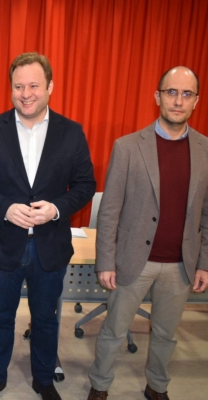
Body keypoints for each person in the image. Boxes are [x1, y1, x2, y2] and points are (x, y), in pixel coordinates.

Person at [0, 52, 96, 400]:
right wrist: (4, 208)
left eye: (34, 85)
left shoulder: (71, 132)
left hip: (49, 245)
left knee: (46, 318)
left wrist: (56, 209)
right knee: (2, 315)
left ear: (50, 86)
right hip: (2, 244)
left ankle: (44, 379)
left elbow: (84, 185)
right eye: (18, 86)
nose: (26, 93)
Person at [87, 66, 208, 400]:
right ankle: (100, 385)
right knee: (114, 330)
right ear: (157, 97)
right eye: (171, 92)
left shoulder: (205, 150)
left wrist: (204, 263)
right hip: (133, 262)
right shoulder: (127, 147)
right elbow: (109, 210)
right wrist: (105, 262)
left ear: (196, 101)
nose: (178, 100)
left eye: (187, 94)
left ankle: (157, 386)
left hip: (181, 266)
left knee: (167, 335)